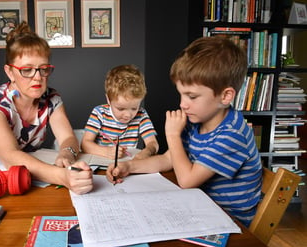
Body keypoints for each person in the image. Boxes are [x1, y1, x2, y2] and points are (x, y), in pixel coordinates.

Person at [106, 36, 262, 227]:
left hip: (229, 221)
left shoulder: (232, 134)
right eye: (181, 94)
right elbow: (168, 159)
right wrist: (129, 167)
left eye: (192, 96)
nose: (182, 104)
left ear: (225, 96)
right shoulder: (196, 121)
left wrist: (172, 135)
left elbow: (187, 181)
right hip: (200, 204)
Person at [0, 22, 92, 195]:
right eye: (27, 70)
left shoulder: (52, 98)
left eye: (43, 69)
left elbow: (67, 137)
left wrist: (67, 154)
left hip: (21, 176)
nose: (37, 78)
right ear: (9, 72)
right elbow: (10, 156)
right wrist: (62, 177)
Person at [81, 64, 159, 160]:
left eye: (134, 108)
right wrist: (106, 152)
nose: (128, 115)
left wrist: (147, 152)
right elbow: (85, 144)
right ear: (108, 100)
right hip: (101, 163)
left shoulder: (141, 114)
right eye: (121, 109)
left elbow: (153, 143)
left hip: (128, 165)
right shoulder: (99, 113)